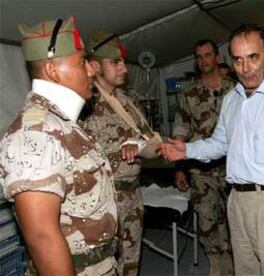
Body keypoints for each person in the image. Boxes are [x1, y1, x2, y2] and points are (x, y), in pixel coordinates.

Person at [161, 24, 264, 275]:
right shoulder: (232, 99)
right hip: (237, 200)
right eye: (238, 60)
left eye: (253, 57)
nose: (245, 68)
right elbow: (220, 143)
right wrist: (187, 151)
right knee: (245, 270)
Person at [0, 17, 118, 275]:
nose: (91, 71)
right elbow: (42, 237)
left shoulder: (62, 124)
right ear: (53, 71)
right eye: (81, 62)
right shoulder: (36, 132)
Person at [81, 30, 158, 276]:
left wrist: (139, 145)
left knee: (131, 264)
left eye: (123, 61)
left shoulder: (128, 102)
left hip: (132, 197)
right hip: (102, 205)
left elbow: (155, 146)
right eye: (116, 62)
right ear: (95, 66)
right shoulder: (83, 106)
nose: (124, 68)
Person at [173, 39, 235, 276]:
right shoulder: (188, 93)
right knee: (208, 221)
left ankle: (233, 265)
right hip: (200, 170)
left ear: (217, 57)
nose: (203, 60)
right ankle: (216, 265)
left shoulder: (235, 88)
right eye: (199, 57)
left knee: (232, 220)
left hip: (232, 168)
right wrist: (179, 168)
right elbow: (180, 131)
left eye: (207, 55)